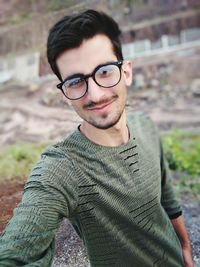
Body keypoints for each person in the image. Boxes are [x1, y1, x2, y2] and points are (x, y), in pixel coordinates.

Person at [0, 9, 194, 267]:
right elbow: (15, 256)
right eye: (75, 81)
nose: (94, 95)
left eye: (104, 71)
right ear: (64, 93)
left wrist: (185, 249)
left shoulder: (146, 126)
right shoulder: (62, 168)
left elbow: (168, 200)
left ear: (126, 72)